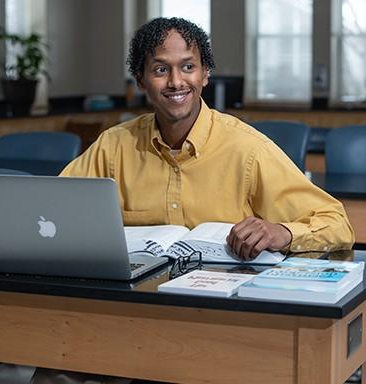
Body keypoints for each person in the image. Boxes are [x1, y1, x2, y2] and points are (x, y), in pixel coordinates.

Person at [30, 16, 354, 384]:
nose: (175, 82)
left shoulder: (248, 149)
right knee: (49, 366)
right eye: (159, 69)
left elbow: (336, 223)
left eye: (188, 67)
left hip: (221, 323)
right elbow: (50, 211)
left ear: (205, 75)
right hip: (128, 318)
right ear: (140, 81)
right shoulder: (113, 146)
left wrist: (282, 231)